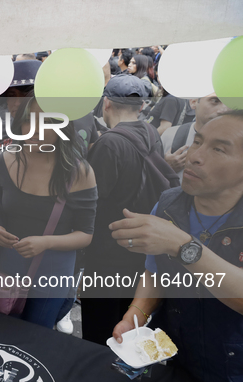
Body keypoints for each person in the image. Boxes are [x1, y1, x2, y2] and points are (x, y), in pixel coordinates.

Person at [111, 110, 243, 382]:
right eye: (198, 141)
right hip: (177, 355)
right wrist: (135, 316)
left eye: (219, 149)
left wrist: (182, 246)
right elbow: (155, 271)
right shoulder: (169, 204)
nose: (195, 155)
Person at [0, 97, 97, 329]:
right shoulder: (5, 159)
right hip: (8, 263)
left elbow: (86, 234)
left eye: (46, 123)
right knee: (0, 328)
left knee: (37, 335)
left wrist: (46, 242)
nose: (34, 130)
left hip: (53, 271)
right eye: (28, 120)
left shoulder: (79, 172)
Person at [81, 74, 167, 345]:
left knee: (100, 329)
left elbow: (92, 199)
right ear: (141, 107)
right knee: (127, 326)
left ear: (106, 103)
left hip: (108, 253)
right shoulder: (152, 133)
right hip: (140, 249)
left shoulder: (110, 143)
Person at [162, 93, 229, 182]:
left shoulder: (235, 143)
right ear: (194, 102)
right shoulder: (171, 135)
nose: (223, 109)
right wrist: (166, 167)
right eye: (215, 101)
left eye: (228, 103)